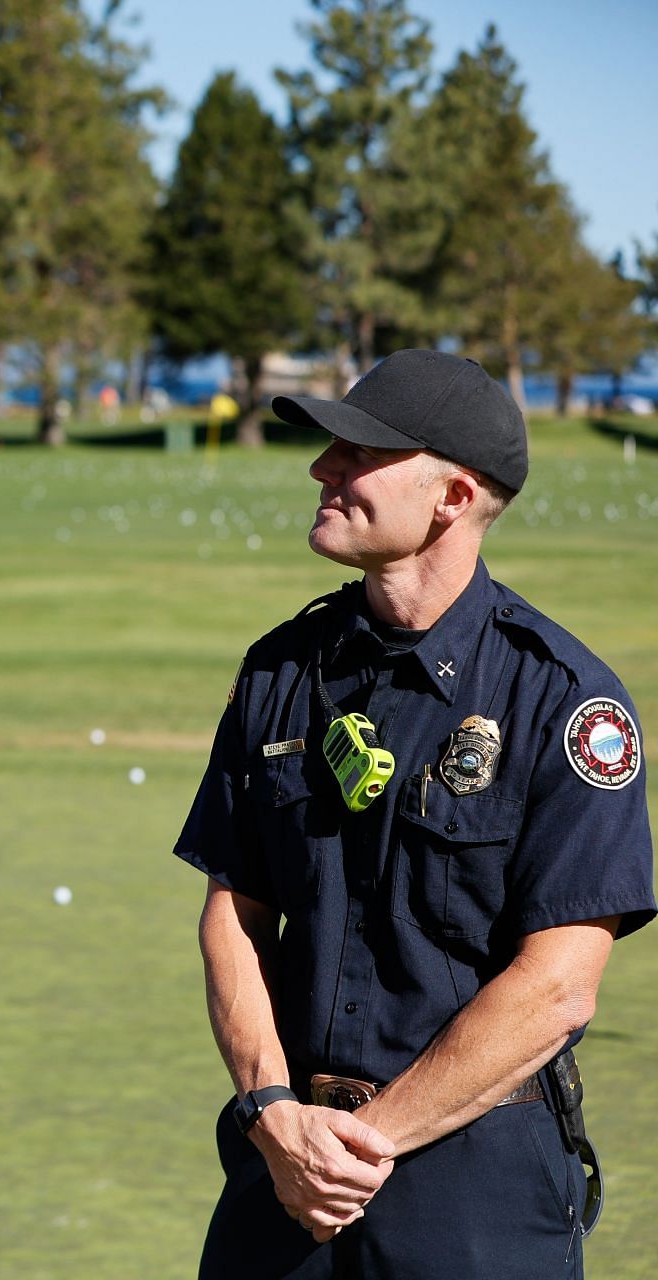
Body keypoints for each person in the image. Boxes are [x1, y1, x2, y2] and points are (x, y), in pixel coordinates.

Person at [175, 349, 655, 1278]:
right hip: (281, 1167)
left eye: (358, 453)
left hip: (469, 1185)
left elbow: (558, 986)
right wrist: (274, 1113)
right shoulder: (282, 670)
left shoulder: (563, 701)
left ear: (453, 496)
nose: (323, 470)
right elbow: (234, 913)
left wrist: (360, 1147)